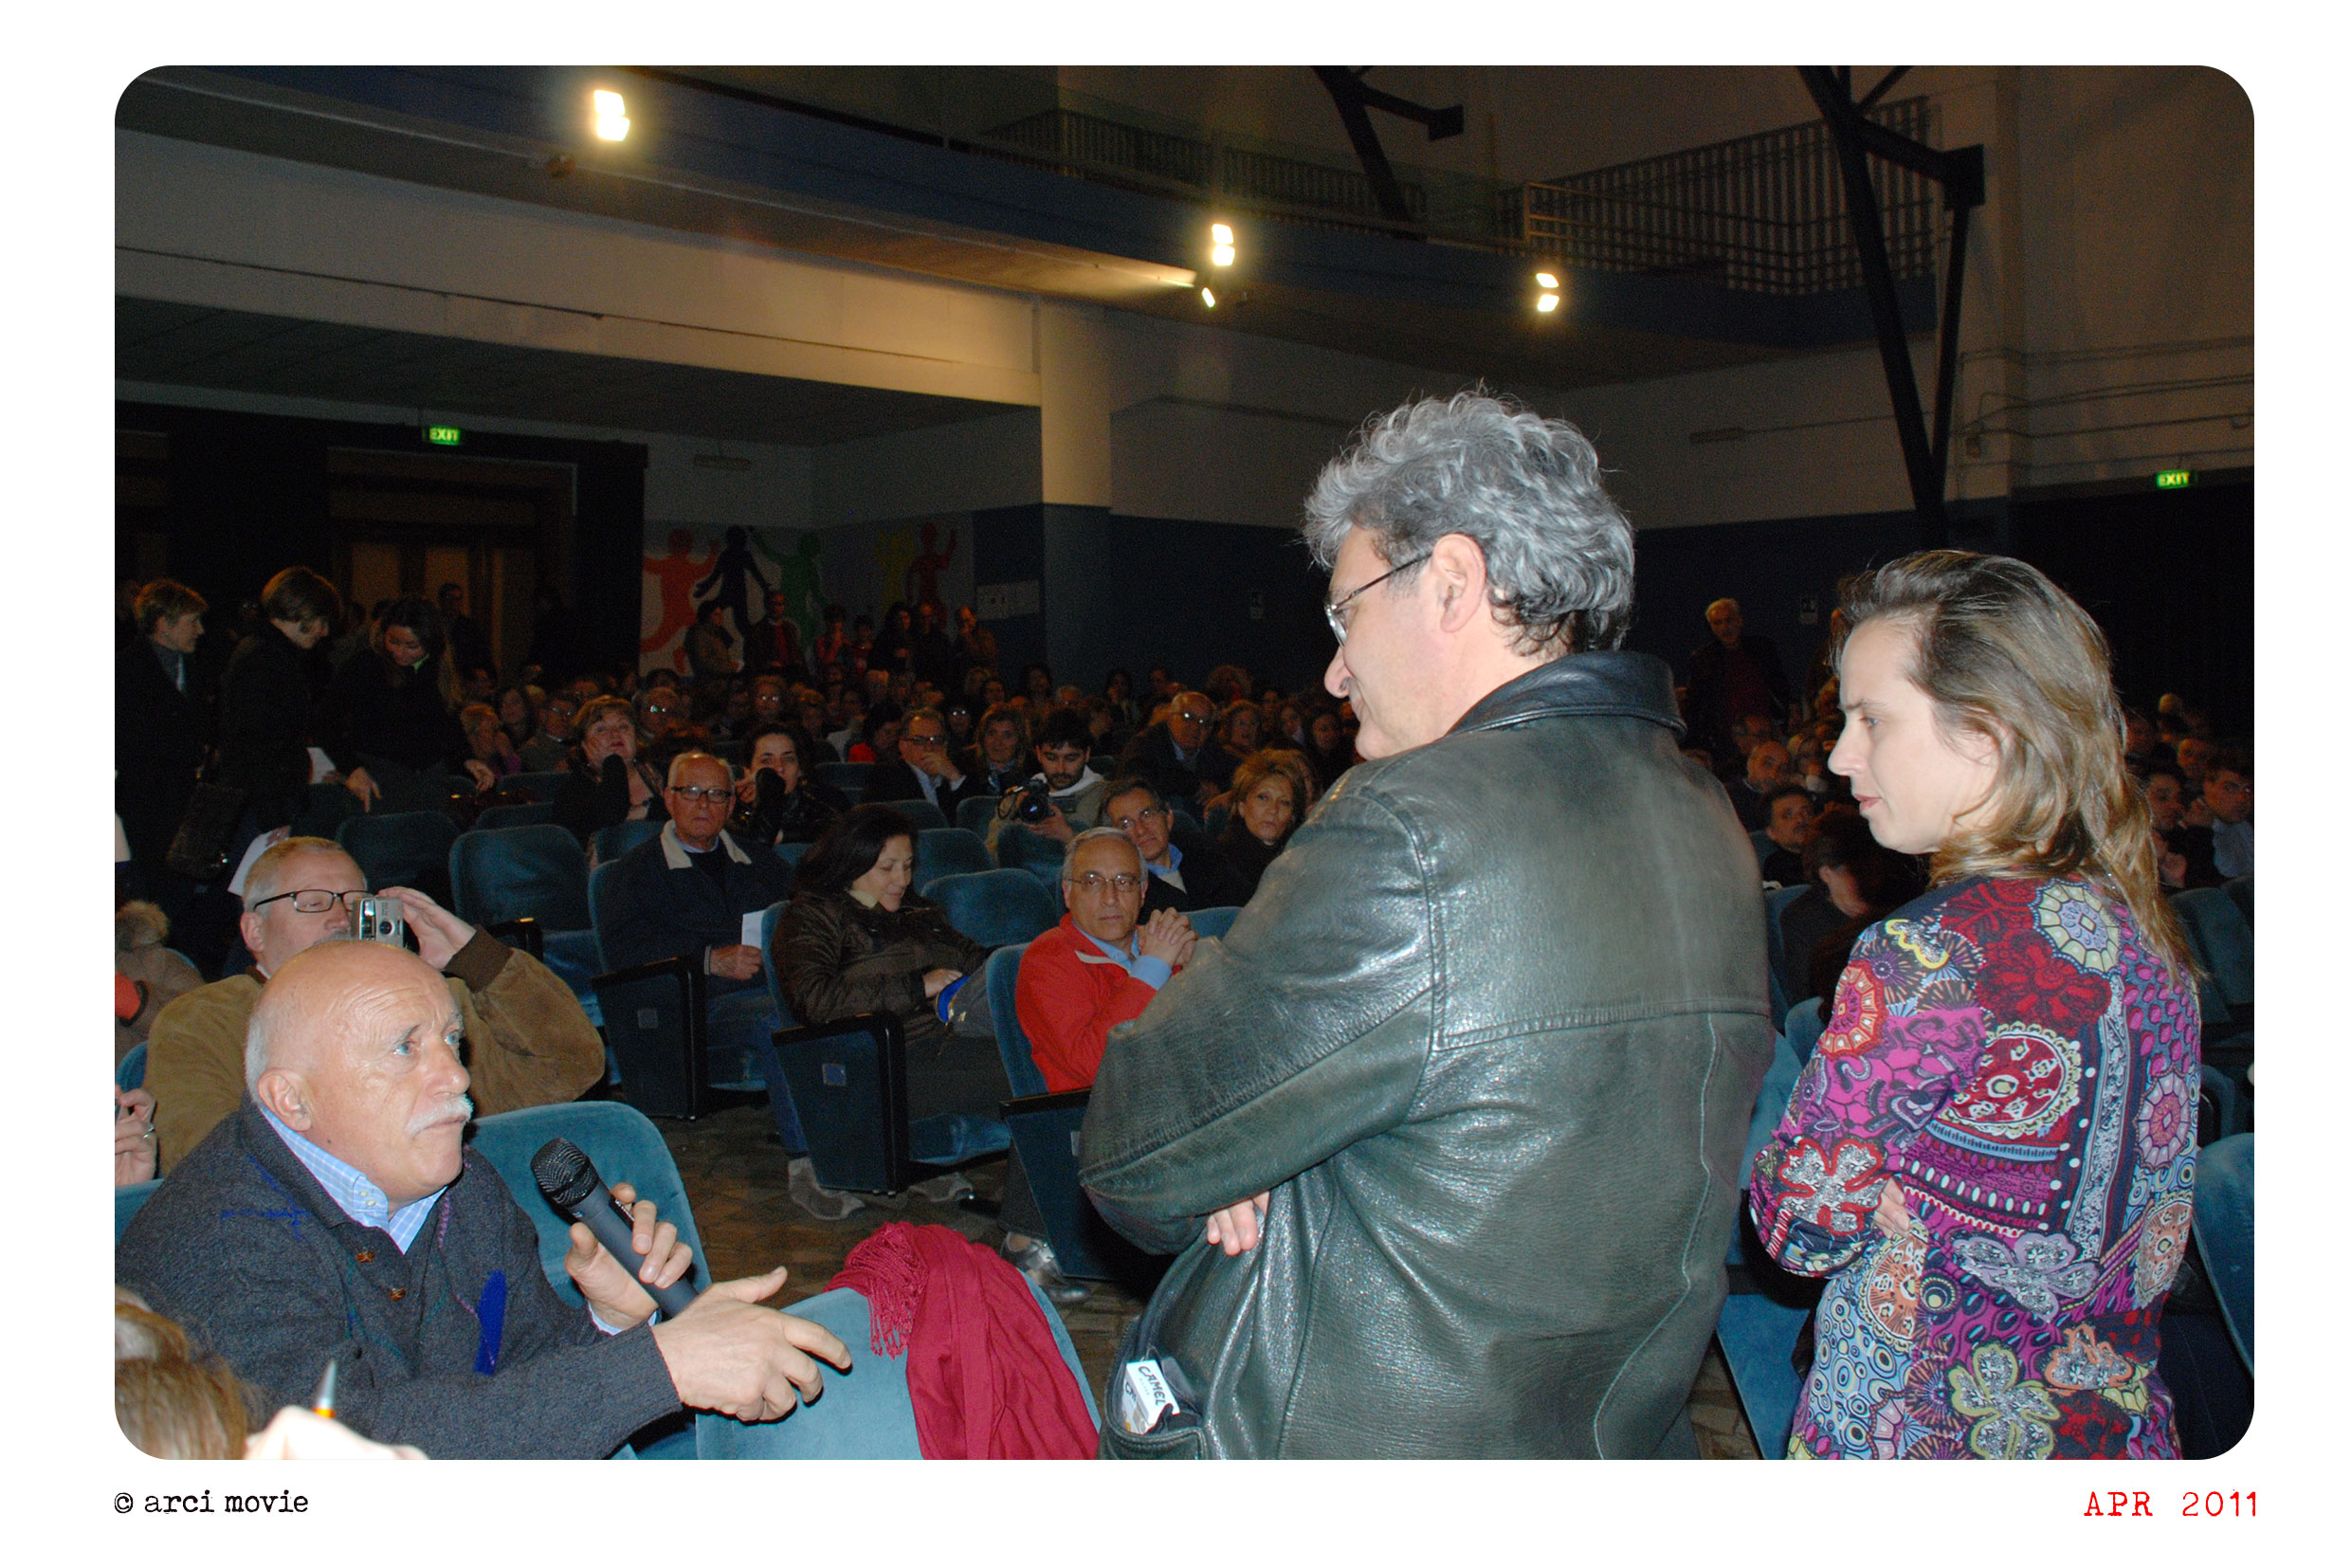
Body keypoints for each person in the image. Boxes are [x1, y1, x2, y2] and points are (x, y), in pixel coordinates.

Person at [1079, 391, 1771, 1458]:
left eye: (1344, 614)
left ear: (1450, 581)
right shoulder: (1701, 810)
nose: (1334, 669)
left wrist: (1252, 1149)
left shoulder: (1408, 825)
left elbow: (1134, 1147)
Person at [1749, 551, 2200, 1461]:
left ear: (1984, 735)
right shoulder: (2140, 929)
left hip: (1931, 1427)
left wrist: (1852, 1185)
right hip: (2107, 1432)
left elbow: (1800, 1228)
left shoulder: (1928, 955)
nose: (1840, 756)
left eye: (1872, 719)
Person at [119, 940, 855, 1458]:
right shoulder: (216, 1241)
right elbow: (342, 1455)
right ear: (292, 1099)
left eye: (450, 1039)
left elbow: (524, 1388)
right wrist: (660, 1365)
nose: (456, 1077)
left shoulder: (461, 1184)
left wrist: (609, 1322)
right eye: (405, 1048)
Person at [145, 835, 607, 1174]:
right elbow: (206, 1160)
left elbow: (573, 1063)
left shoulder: (433, 1001)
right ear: (255, 931)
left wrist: (474, 957)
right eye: (312, 902)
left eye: (355, 901)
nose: (340, 917)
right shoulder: (201, 1021)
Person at [772, 806, 1015, 1205]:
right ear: (851, 863)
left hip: (950, 1042)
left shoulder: (918, 911)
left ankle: (1033, 1195)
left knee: (1047, 1052)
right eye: (887, 868)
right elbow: (814, 1000)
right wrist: (918, 986)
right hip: (886, 1064)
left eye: (907, 866)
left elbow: (977, 960)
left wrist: (1019, 965)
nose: (901, 880)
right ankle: (1034, 1206)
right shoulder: (813, 915)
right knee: (1032, 1068)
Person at [597, 752, 795, 1091]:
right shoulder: (634, 872)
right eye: (691, 791)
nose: (703, 804)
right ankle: (809, 1127)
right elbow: (624, 953)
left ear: (730, 805)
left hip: (773, 984)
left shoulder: (762, 863)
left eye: (716, 794)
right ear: (669, 799)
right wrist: (708, 960)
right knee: (780, 1016)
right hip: (696, 1003)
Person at [1016, 828, 1194, 1094]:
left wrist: (1194, 968)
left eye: (1124, 882)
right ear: (1067, 892)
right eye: (1092, 882)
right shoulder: (1047, 959)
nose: (1110, 898)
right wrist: (1153, 968)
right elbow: (1093, 1067)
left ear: (1142, 892)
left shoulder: (1161, 943)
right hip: (1104, 1113)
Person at [326, 597, 492, 813]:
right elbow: (325, 722)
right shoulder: (365, 666)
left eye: (411, 646)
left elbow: (447, 723)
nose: (399, 652)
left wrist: (467, 759)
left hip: (429, 782)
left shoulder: (437, 668)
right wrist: (351, 768)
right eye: (393, 641)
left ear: (430, 643)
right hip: (378, 781)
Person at [213, 567, 341, 843]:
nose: (324, 631)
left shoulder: (267, 652)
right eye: (321, 620)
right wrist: (275, 814)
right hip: (262, 805)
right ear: (300, 613)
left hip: (263, 800)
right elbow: (256, 743)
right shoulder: (265, 659)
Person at [116, 578, 213, 912]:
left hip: (186, 801)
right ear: (163, 624)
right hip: (146, 805)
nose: (200, 630)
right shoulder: (123, 671)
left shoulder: (193, 666)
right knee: (153, 894)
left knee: (186, 895)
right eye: (192, 622)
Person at [1101, 777, 1249, 917]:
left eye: (1147, 815)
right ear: (1114, 839)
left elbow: (1249, 907)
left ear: (1168, 818)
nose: (1140, 830)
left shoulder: (1206, 852)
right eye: (1126, 824)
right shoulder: (1120, 890)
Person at [981, 708, 1113, 860]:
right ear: (1038, 754)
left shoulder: (1107, 798)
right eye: (1051, 758)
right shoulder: (1018, 797)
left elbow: (1118, 859)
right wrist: (1014, 824)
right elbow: (989, 857)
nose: (1060, 769)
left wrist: (1069, 836)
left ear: (1087, 754)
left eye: (1071, 758)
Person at [1685, 597, 1794, 762]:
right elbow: (1696, 703)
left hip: (1765, 730)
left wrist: (1782, 720)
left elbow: (1781, 687)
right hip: (1724, 736)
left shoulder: (1763, 649)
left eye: (1729, 620)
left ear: (1739, 621)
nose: (1725, 628)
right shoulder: (1703, 659)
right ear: (1711, 627)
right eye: (1718, 623)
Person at [552, 694, 667, 846]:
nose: (614, 734)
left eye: (623, 726)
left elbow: (684, 809)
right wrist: (613, 763)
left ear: (636, 737)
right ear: (584, 744)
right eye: (601, 729)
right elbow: (612, 817)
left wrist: (647, 809)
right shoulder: (574, 790)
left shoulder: (663, 773)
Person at [1209, 749, 1315, 903]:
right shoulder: (1219, 861)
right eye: (1263, 798)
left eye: (1284, 802)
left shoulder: (1298, 860)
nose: (1273, 809)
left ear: (1291, 817)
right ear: (1242, 806)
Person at [728, 724, 847, 847]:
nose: (779, 768)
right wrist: (768, 786)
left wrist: (783, 834)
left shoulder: (824, 802)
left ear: (799, 769)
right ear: (748, 771)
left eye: (788, 759)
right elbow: (758, 843)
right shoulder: (731, 808)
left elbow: (841, 830)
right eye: (767, 761)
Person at [860, 705, 984, 816]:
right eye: (919, 740)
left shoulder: (960, 772)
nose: (929, 747)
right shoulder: (886, 776)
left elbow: (977, 818)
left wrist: (954, 777)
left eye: (936, 740)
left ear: (945, 746)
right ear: (903, 745)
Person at [1116, 688, 1218, 805]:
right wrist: (1195, 785)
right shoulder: (1144, 744)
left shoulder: (1213, 749)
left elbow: (1228, 776)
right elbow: (1137, 780)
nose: (1195, 727)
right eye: (1187, 717)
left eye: (1203, 722)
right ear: (1170, 717)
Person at [1757, 782, 1818, 885]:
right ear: (1771, 832)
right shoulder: (1776, 869)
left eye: (1807, 813)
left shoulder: (1834, 853)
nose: (1800, 819)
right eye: (1788, 815)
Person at [519, 688, 579, 773]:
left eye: (571, 714)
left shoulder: (581, 746)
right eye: (558, 711)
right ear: (543, 715)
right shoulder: (532, 751)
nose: (565, 718)